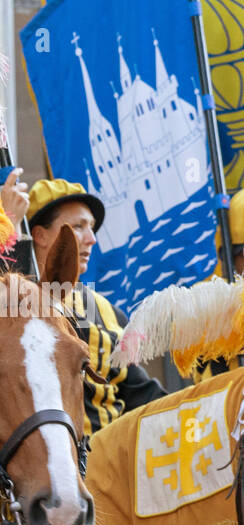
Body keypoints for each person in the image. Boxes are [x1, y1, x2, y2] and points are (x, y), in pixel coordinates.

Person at [26, 178, 165, 436]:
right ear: (40, 235)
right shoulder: (10, 307)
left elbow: (143, 395)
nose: (91, 239)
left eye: (91, 227)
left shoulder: (108, 313)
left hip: (112, 465)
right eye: (78, 226)